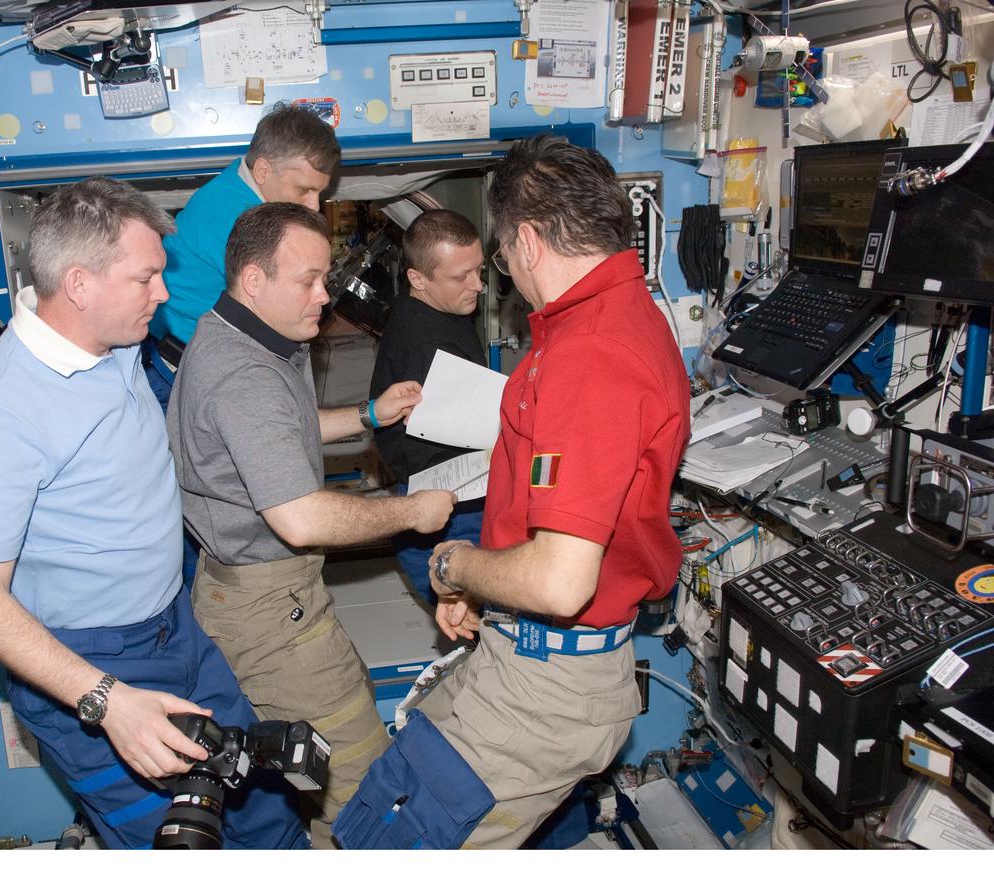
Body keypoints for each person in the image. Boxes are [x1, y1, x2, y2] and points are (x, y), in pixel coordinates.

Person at [335, 135, 691, 849]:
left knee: (390, 847)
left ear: (525, 241)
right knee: (382, 809)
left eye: (498, 254)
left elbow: (561, 582)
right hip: (524, 650)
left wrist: (455, 566)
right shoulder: (611, 321)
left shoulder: (590, 355)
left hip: (548, 680)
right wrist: (486, 586)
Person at [0, 177, 307, 850]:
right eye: (146, 279)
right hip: (94, 662)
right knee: (183, 844)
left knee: (261, 809)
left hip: (177, 628)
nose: (163, 295)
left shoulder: (118, 343)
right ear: (79, 284)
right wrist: (108, 701)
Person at [167, 201, 457, 848]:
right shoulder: (244, 375)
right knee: (365, 788)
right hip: (270, 611)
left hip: (252, 593)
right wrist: (414, 510)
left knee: (315, 772)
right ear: (253, 280)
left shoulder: (240, 334)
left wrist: (371, 415)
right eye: (308, 281)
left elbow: (279, 436)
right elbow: (299, 518)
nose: (326, 296)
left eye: (325, 277)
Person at [144, 101, 340, 406]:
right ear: (262, 170)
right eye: (303, 190)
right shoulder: (232, 215)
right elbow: (275, 310)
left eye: (320, 192)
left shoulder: (237, 189)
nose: (314, 205)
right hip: (170, 369)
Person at [369, 209, 488, 605]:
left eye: (479, 269)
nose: (480, 285)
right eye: (461, 277)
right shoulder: (424, 344)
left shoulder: (442, 306)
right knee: (478, 626)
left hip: (460, 497)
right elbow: (404, 448)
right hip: (448, 515)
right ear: (417, 279)